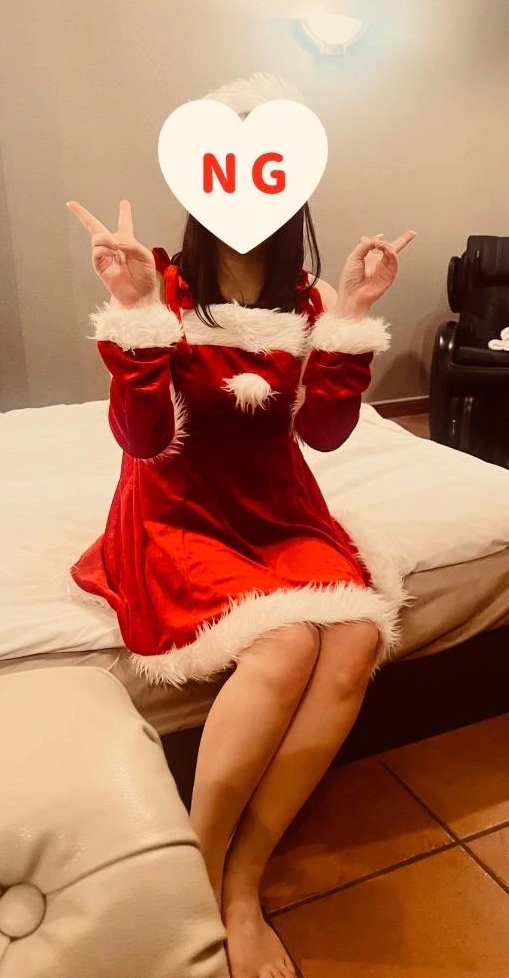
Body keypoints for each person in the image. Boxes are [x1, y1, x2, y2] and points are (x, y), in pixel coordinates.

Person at [67, 74, 416, 978]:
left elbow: (324, 436)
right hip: (177, 508)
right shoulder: (161, 284)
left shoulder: (309, 303)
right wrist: (136, 317)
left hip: (276, 505)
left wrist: (354, 315)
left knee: (352, 637)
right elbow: (142, 439)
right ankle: (196, 872)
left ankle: (243, 881)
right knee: (285, 641)